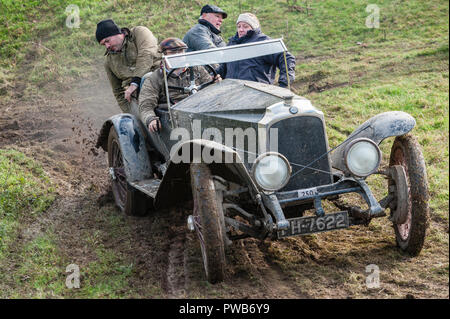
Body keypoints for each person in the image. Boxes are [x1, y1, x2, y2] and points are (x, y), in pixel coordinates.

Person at [139, 38, 221, 133]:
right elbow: (145, 105)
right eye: (173, 53)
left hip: (200, 111)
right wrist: (151, 119)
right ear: (164, 56)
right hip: (174, 119)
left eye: (181, 51)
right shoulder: (155, 78)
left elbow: (211, 91)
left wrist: (216, 84)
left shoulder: (196, 69)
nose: (178, 55)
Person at [96, 19, 160, 113]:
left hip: (161, 82)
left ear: (117, 33)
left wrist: (135, 82)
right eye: (103, 44)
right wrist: (130, 114)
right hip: (137, 99)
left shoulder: (139, 33)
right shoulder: (109, 62)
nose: (107, 46)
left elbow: (146, 54)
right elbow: (118, 92)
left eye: (107, 41)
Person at [219, 13, 296, 88]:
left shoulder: (263, 42)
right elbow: (223, 68)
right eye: (239, 26)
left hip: (257, 94)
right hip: (232, 93)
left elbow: (287, 58)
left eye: (245, 27)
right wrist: (214, 75)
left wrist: (284, 83)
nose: (241, 30)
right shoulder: (232, 44)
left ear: (254, 27)